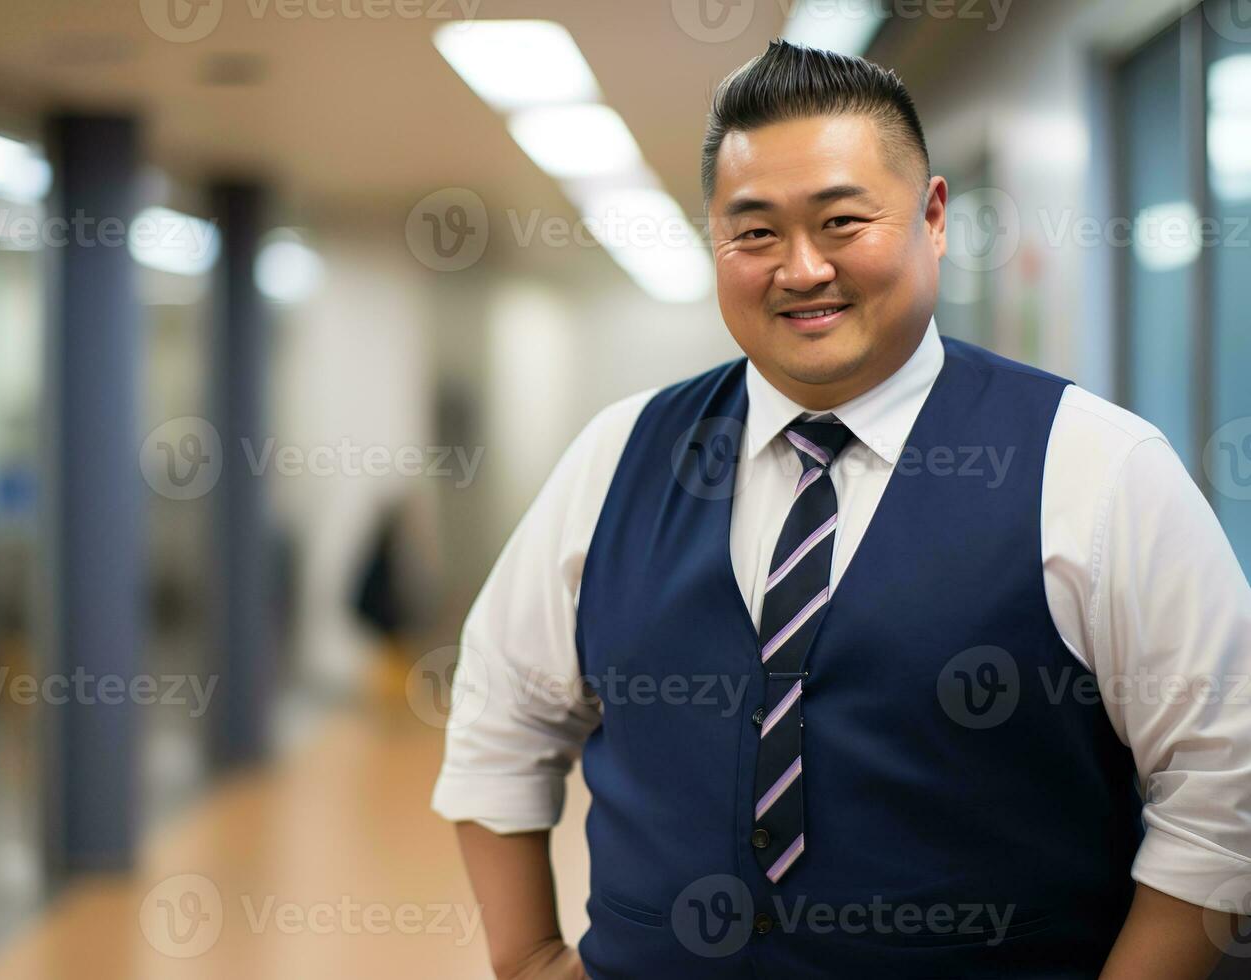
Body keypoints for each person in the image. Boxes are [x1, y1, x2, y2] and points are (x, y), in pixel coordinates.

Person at [431, 38, 1251, 979]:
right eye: (755, 232)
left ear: (934, 217)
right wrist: (529, 957)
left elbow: (1224, 786)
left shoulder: (1096, 466)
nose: (802, 268)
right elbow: (500, 716)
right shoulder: (618, 457)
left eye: (842, 221)